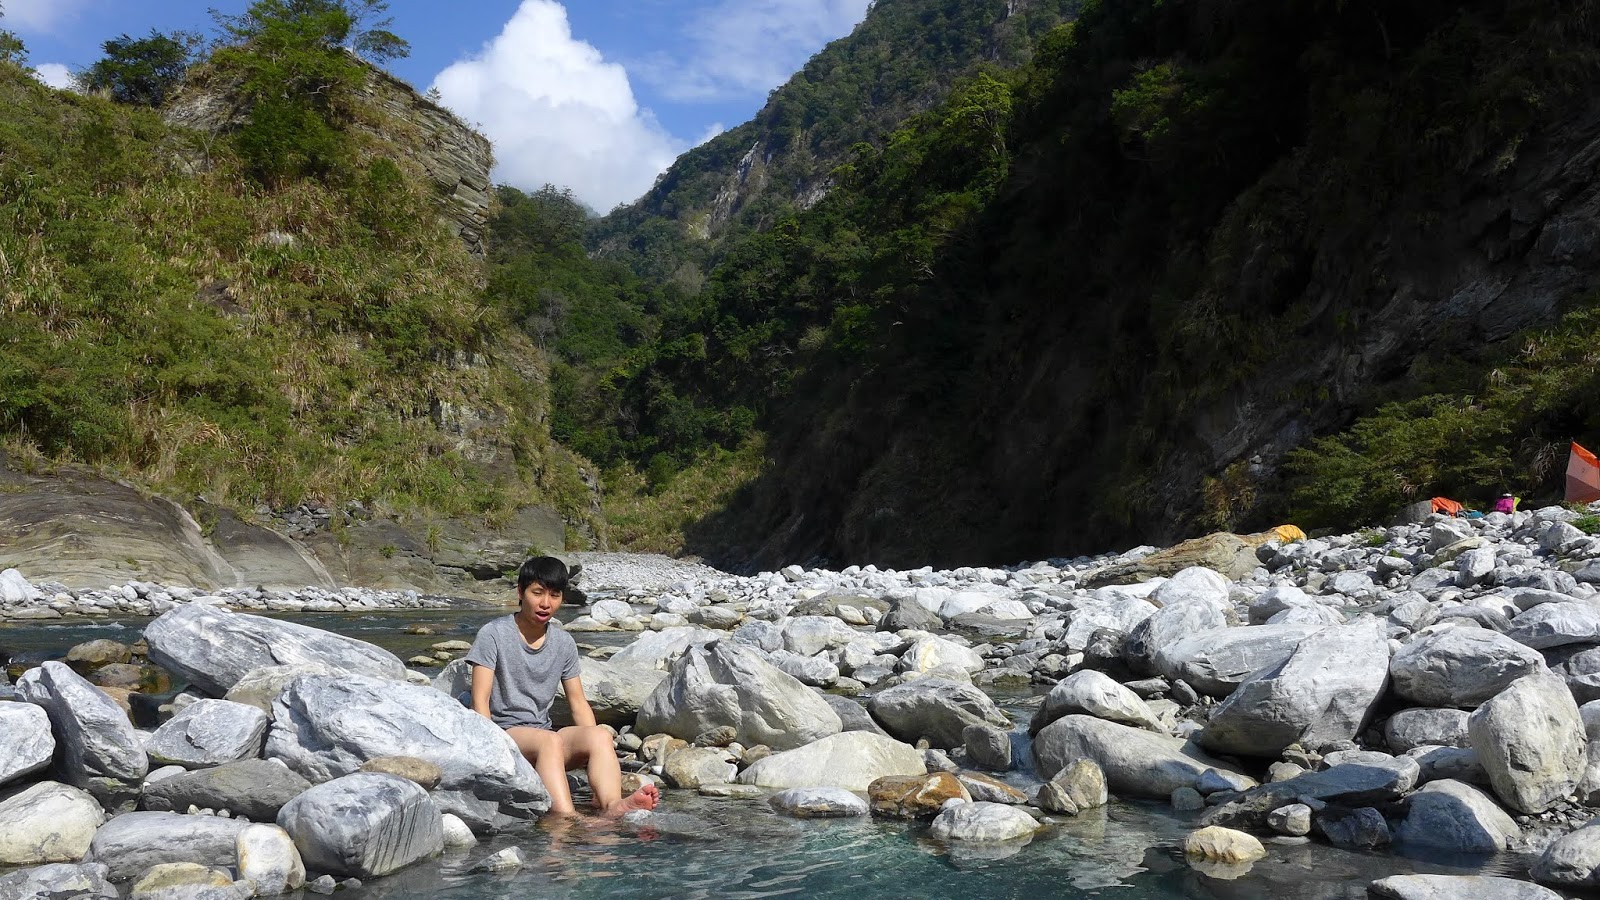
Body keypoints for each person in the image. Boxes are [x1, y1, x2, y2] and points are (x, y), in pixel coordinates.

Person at [465, 556, 660, 817]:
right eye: (537, 593)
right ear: (520, 592)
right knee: (550, 741)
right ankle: (567, 819)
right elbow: (479, 702)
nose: (546, 603)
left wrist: (593, 755)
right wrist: (489, 756)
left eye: (554, 595)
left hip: (546, 740)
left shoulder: (564, 643)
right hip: (505, 737)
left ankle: (612, 805)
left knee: (600, 736)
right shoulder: (493, 634)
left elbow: (578, 703)